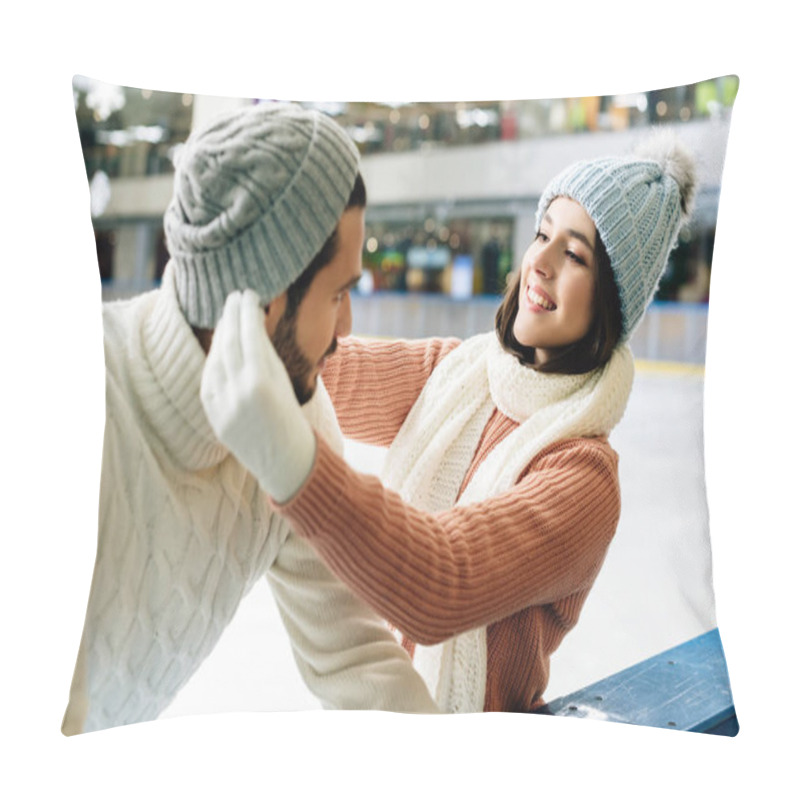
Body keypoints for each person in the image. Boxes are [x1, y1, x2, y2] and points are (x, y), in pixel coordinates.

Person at [200, 133, 696, 713]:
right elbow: (327, 366)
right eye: (543, 233)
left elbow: (442, 583)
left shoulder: (581, 480)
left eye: (577, 253)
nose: (540, 260)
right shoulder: (457, 374)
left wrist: (295, 470)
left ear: (611, 302)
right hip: (377, 713)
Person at [62, 102, 440, 736]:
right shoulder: (84, 411)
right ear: (265, 302)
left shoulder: (290, 416)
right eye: (338, 293)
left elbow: (355, 655)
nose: (348, 328)